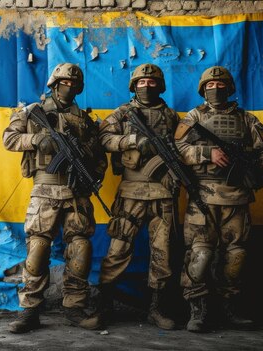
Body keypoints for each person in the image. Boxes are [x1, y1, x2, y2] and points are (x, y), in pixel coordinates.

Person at [3, 63, 108, 333]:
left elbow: (99, 158)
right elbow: (9, 139)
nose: (69, 87)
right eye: (64, 82)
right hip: (45, 190)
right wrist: (37, 140)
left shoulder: (85, 120)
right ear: (54, 84)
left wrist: (93, 176)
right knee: (37, 249)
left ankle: (74, 307)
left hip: (77, 192)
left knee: (81, 249)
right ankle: (30, 310)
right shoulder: (31, 112)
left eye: (74, 84)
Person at [174, 66, 263, 332]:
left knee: (236, 256)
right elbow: (177, 149)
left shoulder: (248, 120)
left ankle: (230, 307)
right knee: (200, 254)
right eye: (210, 86)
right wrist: (207, 154)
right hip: (203, 197)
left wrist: (253, 175)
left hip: (237, 199)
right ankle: (197, 310)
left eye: (221, 85)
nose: (215, 90)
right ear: (202, 89)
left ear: (229, 88)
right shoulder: (194, 116)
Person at [95, 63, 179, 330]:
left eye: (152, 82)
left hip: (162, 193)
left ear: (160, 85)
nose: (146, 86)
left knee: (163, 252)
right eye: (141, 82)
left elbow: (183, 148)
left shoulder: (172, 117)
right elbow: (104, 139)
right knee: (118, 248)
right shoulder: (124, 113)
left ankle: (158, 308)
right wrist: (132, 141)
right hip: (131, 192)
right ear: (134, 85)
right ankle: (104, 304)